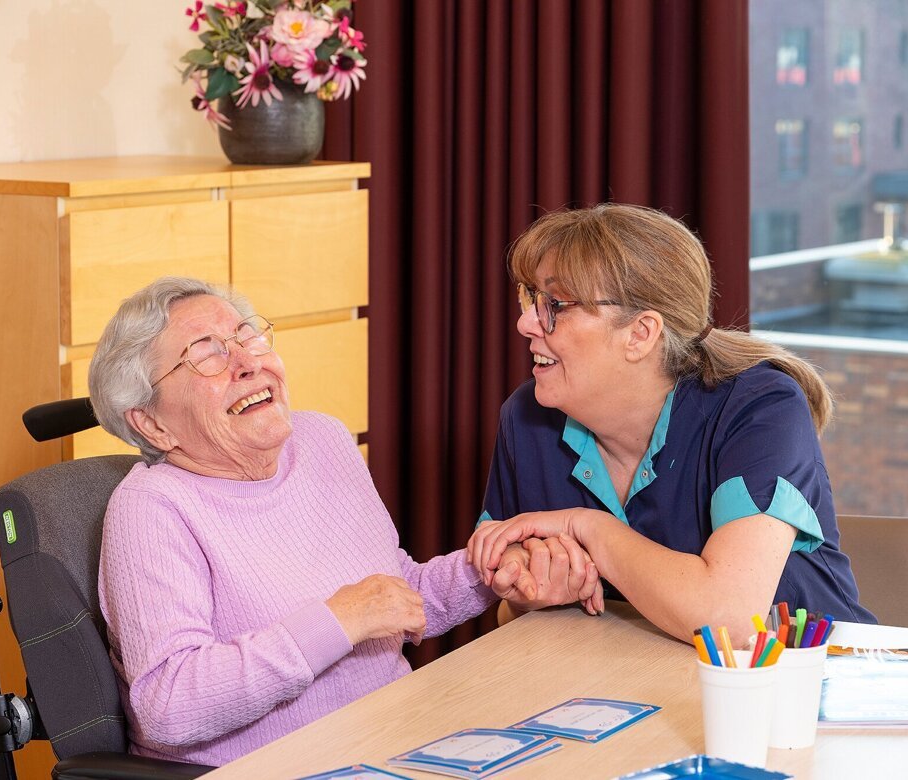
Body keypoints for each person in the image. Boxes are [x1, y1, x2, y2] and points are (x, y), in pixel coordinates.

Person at [89, 277, 600, 766]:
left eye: (246, 337)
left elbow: (394, 595)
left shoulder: (322, 441)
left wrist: (494, 570)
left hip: (391, 743)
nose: (246, 363)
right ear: (151, 423)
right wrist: (337, 621)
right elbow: (168, 705)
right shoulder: (151, 508)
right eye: (206, 355)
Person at [468, 204, 875, 646]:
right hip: (625, 687)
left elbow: (728, 622)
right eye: (531, 299)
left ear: (641, 334)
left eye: (556, 305)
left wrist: (588, 527)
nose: (525, 323)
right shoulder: (527, 419)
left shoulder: (760, 407)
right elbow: (510, 616)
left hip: (806, 689)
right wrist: (532, 594)